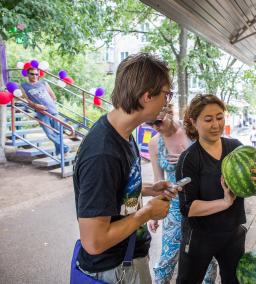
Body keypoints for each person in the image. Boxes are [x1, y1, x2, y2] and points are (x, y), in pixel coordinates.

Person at [73, 53, 178, 284]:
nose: (167, 102)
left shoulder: (123, 133)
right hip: (112, 271)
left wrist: (150, 189)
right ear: (147, 96)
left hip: (128, 259)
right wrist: (148, 212)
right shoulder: (102, 153)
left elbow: (116, 190)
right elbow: (94, 241)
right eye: (166, 94)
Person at [175, 94, 256, 284]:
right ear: (193, 121)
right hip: (199, 237)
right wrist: (224, 203)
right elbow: (187, 207)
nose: (216, 124)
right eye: (208, 119)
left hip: (232, 234)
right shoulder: (188, 159)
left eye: (220, 117)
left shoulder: (236, 148)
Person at [147, 104, 217, 284]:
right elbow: (158, 181)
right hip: (174, 207)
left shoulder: (192, 131)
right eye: (150, 124)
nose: (155, 126)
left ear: (167, 111)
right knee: (167, 257)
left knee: (207, 258)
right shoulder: (155, 143)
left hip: (201, 202)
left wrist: (187, 159)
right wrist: (153, 214)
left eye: (158, 121)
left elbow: (212, 164)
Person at [21, 67, 70, 156]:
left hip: (53, 111)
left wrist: (51, 105)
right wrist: (36, 106)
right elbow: (27, 100)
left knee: (57, 132)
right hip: (42, 113)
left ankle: (60, 152)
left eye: (36, 74)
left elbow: (53, 96)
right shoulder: (24, 86)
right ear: (28, 74)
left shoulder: (43, 82)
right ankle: (65, 148)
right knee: (49, 134)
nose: (35, 76)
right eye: (32, 74)